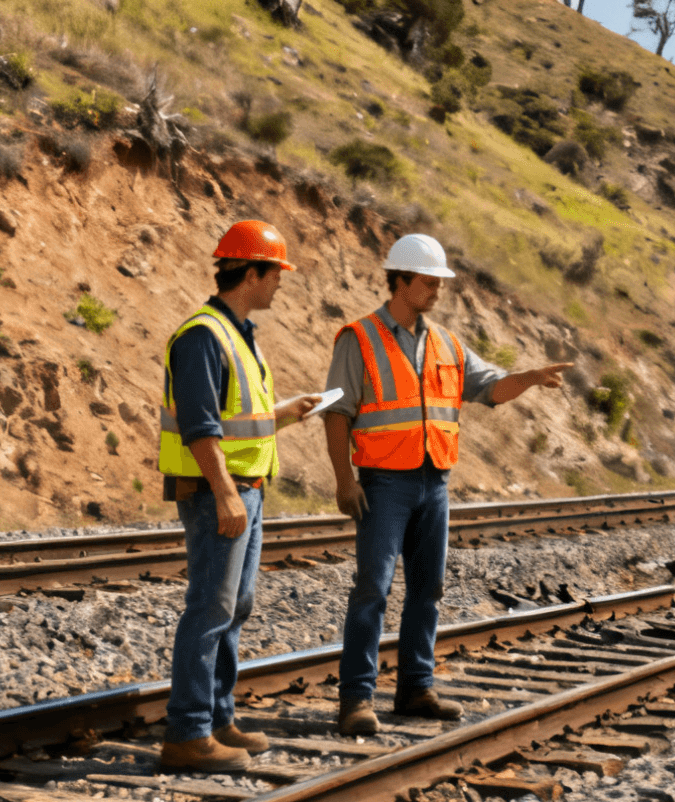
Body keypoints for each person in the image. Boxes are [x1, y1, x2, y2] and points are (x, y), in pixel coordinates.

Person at [321, 234, 571, 735]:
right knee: (372, 588)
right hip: (383, 482)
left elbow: (490, 388)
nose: (437, 290)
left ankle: (415, 688)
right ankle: (356, 699)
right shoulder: (359, 338)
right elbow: (336, 413)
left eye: (440, 282)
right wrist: (344, 480)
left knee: (428, 588)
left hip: (433, 481)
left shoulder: (447, 344)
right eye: (429, 281)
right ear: (400, 280)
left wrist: (527, 377)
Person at [159, 220, 322, 772]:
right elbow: (200, 427)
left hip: (244, 490)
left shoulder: (238, 334)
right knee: (210, 608)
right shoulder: (204, 335)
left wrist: (285, 414)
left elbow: (234, 419)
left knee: (235, 606)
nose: (280, 283)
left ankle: (218, 717)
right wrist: (226, 493)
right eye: (275, 273)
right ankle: (187, 732)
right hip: (218, 493)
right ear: (251, 273)